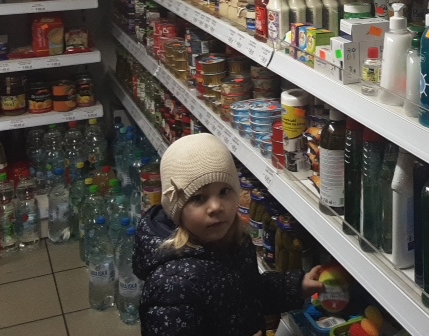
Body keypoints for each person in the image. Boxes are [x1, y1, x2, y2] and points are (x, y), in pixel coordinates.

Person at [134, 133, 323, 336]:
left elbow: (246, 293)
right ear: (177, 210)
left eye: (224, 191)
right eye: (199, 198)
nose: (216, 207)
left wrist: (295, 286)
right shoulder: (172, 284)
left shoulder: (235, 241)